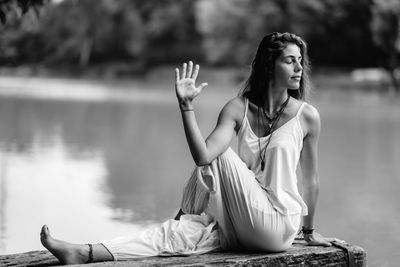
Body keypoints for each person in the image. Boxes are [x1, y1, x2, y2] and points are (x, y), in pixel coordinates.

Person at [40, 32, 332, 265]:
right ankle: (85, 252)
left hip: (279, 225)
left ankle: (185, 214)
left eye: (299, 61)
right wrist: (186, 107)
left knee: (218, 157)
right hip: (244, 218)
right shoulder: (237, 108)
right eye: (289, 61)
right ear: (270, 65)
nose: (298, 68)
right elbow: (202, 157)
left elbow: (311, 180)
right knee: (176, 235)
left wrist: (308, 232)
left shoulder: (307, 115)